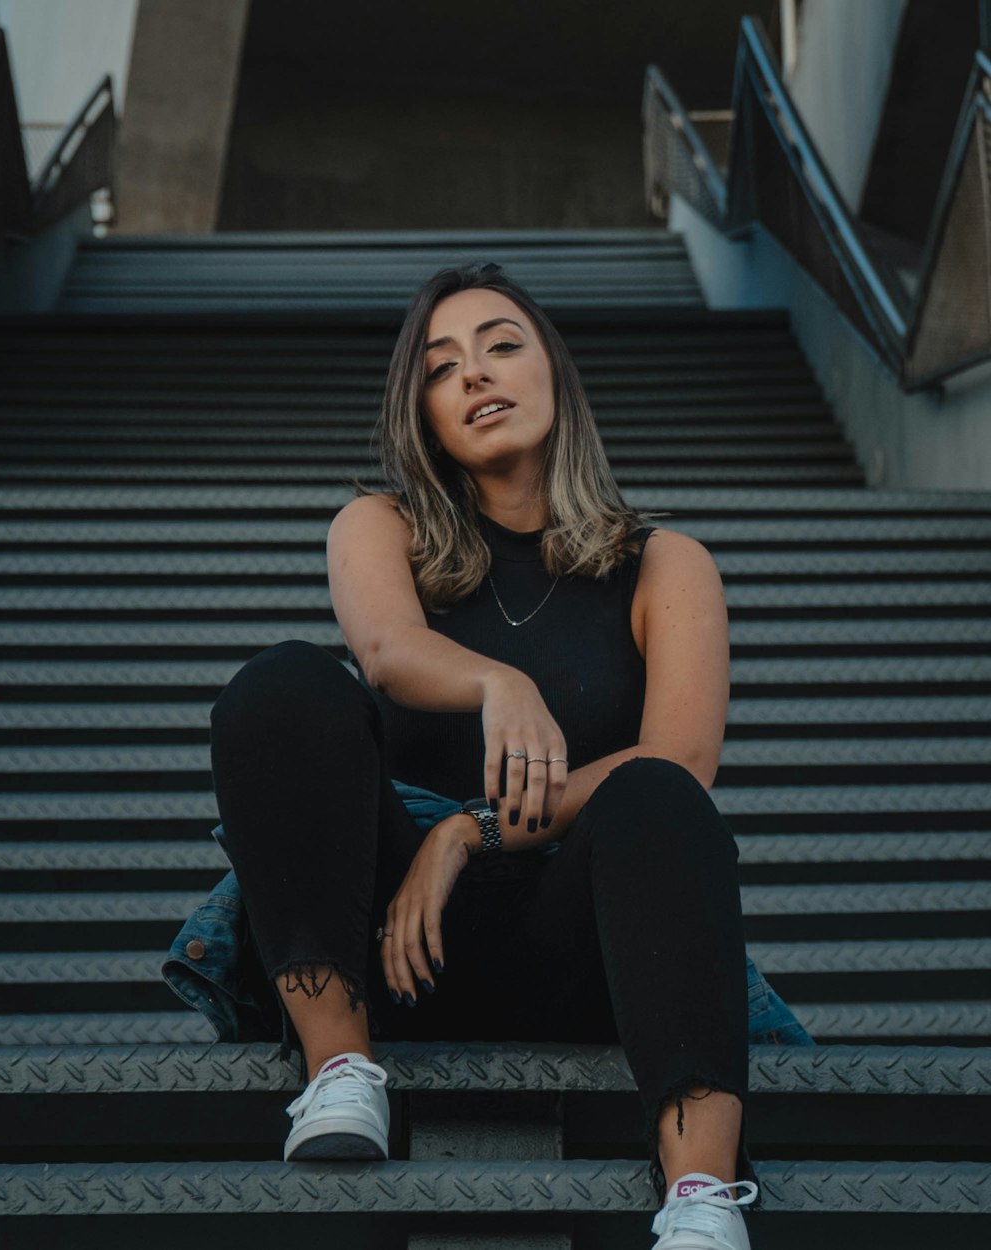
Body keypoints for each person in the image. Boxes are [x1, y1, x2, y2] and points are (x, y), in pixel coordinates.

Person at [208, 262, 762, 1249]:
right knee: (286, 683)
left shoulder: (665, 563)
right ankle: (341, 1071)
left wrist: (467, 829)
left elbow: (681, 757)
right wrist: (499, 683)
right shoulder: (378, 525)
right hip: (385, 941)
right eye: (441, 366)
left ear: (553, 371)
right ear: (419, 411)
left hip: (581, 941)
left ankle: (700, 1198)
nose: (475, 373)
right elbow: (382, 649)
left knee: (656, 795)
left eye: (501, 343)